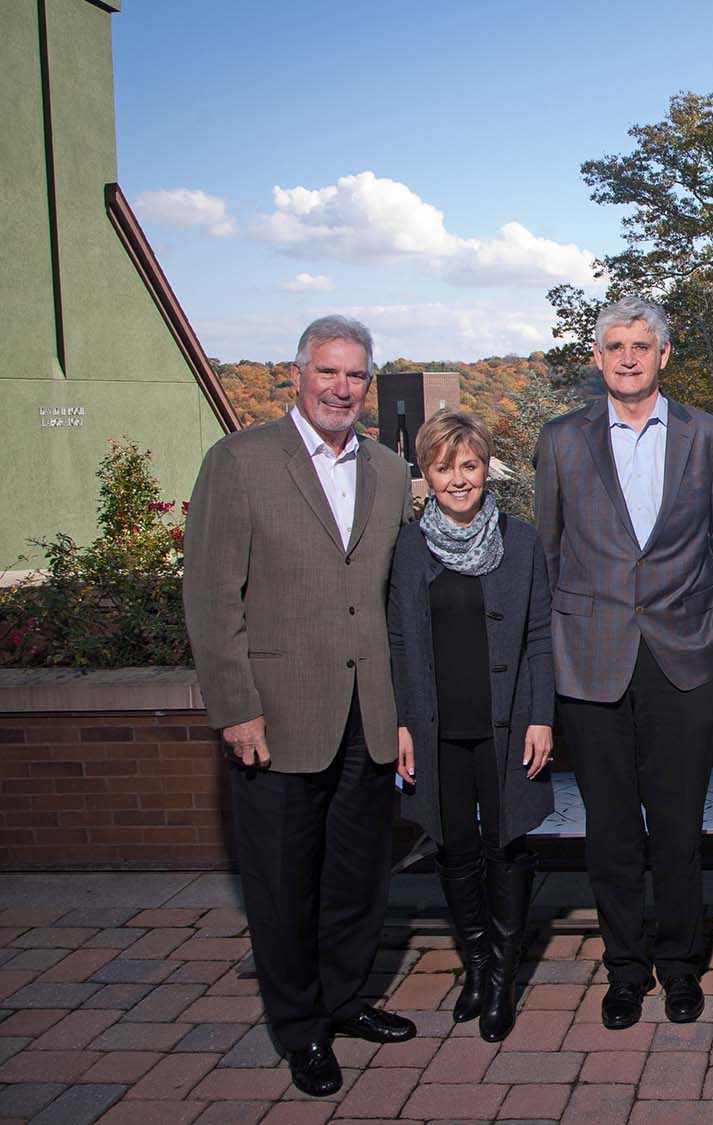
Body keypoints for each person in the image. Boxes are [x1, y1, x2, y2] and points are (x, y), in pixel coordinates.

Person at [182, 315, 415, 1097]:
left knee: (357, 874)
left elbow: (388, 597)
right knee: (283, 880)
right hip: (277, 713)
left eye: (356, 375)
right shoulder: (241, 461)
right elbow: (212, 599)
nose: (342, 388)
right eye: (329, 372)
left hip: (368, 711)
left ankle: (346, 997)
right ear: (297, 374)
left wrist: (403, 710)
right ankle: (301, 1026)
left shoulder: (386, 468)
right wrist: (235, 706)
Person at [534, 296, 713, 1030]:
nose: (627, 357)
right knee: (611, 829)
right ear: (596, 356)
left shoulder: (709, 437)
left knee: (680, 827)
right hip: (591, 664)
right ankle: (626, 969)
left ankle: (681, 965)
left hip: (682, 660)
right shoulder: (559, 441)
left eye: (640, 345)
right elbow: (550, 557)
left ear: (663, 355)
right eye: (614, 345)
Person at [387, 410, 554, 1043]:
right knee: (452, 847)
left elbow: (540, 635)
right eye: (444, 468)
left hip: (505, 723)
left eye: (469, 466)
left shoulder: (522, 541)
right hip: (435, 725)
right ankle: (477, 967)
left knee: (505, 843)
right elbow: (399, 638)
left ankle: (503, 977)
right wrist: (403, 721)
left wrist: (541, 715)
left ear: (485, 468)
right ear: (426, 474)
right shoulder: (408, 546)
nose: (458, 479)